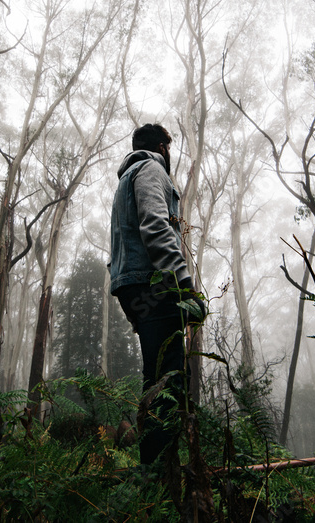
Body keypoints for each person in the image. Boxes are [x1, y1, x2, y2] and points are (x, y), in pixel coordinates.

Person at [109, 123, 204, 467]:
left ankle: (154, 472)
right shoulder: (150, 169)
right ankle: (165, 472)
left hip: (131, 285)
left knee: (156, 375)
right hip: (154, 283)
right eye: (170, 146)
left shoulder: (125, 178)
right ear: (162, 148)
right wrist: (183, 282)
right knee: (169, 377)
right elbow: (155, 223)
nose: (171, 154)